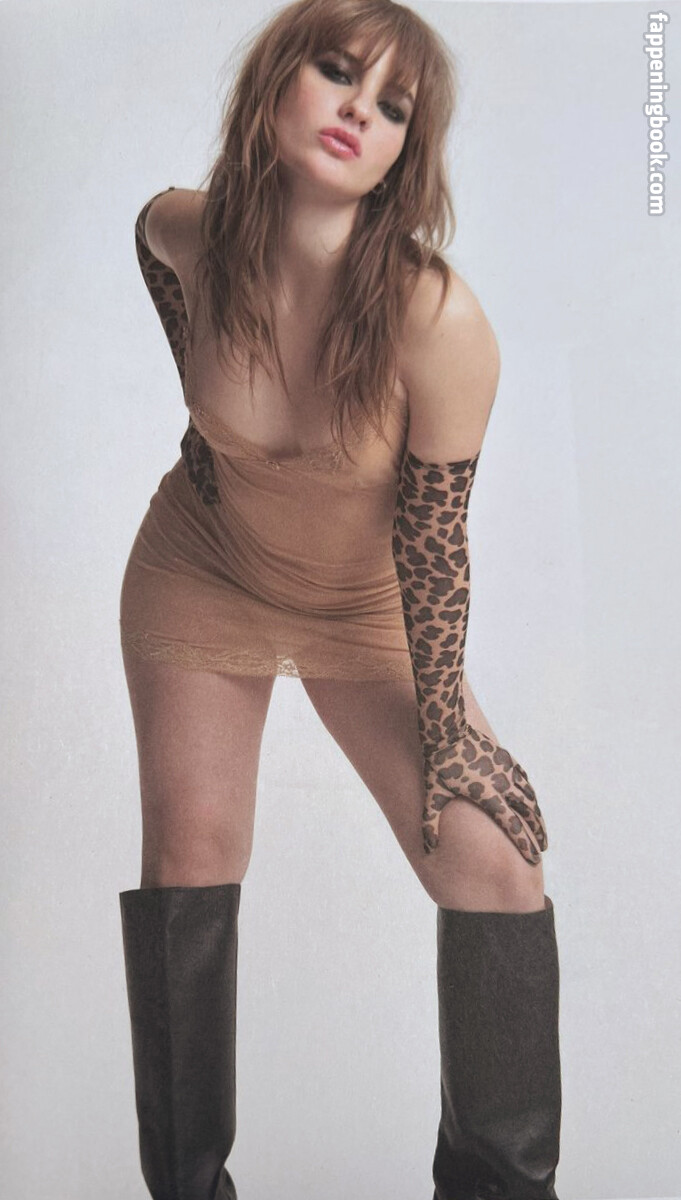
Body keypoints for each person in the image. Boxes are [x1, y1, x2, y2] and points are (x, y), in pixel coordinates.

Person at [117, 1, 563, 1197]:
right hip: (205, 568)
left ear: (406, 152)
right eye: (336, 72)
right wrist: (204, 417)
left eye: (393, 106)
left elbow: (433, 540)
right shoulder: (193, 233)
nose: (360, 110)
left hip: (368, 609)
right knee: (191, 856)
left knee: (496, 869)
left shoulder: (435, 317)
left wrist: (451, 737)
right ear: (276, 83)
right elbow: (151, 242)